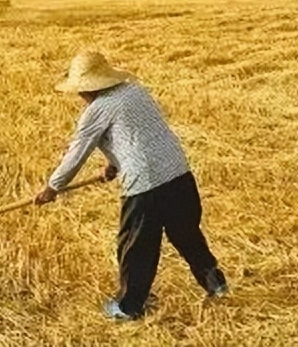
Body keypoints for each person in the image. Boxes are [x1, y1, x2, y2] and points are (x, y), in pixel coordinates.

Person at [35, 50, 228, 320]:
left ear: (86, 88)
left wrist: (52, 187)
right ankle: (216, 284)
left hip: (145, 185)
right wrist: (114, 164)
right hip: (178, 172)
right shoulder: (135, 92)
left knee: (136, 247)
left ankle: (129, 307)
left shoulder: (97, 109)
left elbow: (77, 153)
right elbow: (137, 135)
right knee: (187, 234)